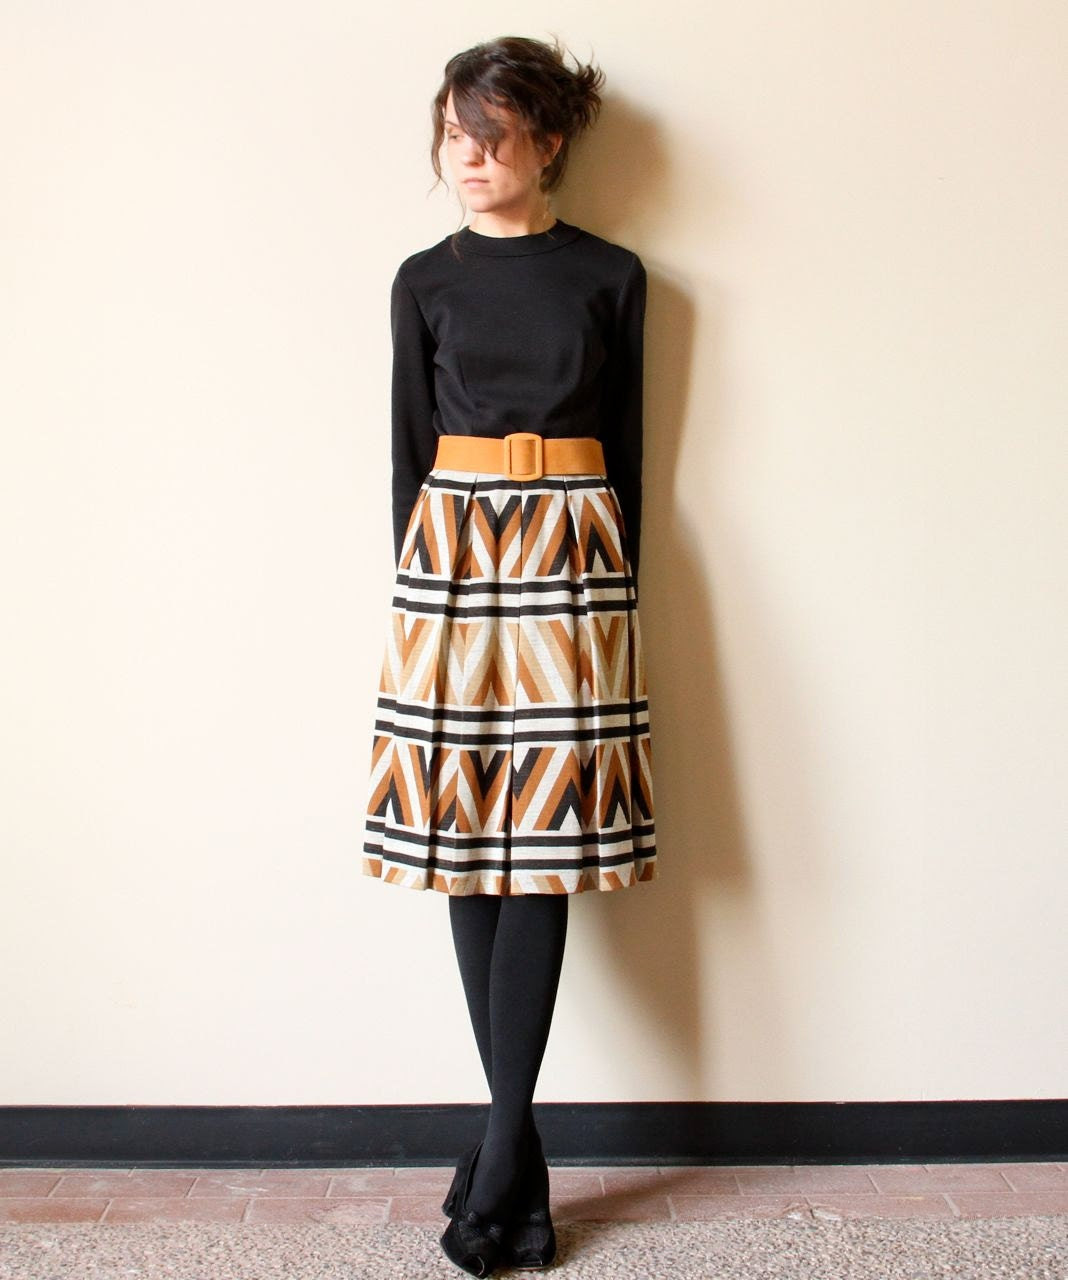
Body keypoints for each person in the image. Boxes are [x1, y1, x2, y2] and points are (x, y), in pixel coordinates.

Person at [362, 34, 657, 1277]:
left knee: (540, 850)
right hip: (449, 561)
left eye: (491, 134)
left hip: (576, 558)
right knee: (464, 847)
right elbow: (405, 450)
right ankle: (511, 1160)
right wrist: (422, 592)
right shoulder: (422, 280)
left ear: (549, 139)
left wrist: (611, 592)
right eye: (453, 133)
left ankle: (497, 1155)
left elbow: (631, 454)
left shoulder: (613, 276)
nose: (468, 156)